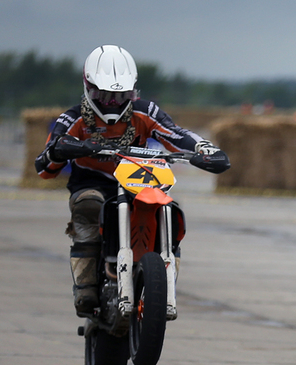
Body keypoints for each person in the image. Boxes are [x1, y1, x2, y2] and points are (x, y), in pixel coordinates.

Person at [35, 45, 229, 317]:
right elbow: (44, 167)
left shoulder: (145, 111)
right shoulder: (73, 117)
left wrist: (205, 150)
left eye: (121, 95)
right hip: (93, 180)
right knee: (89, 205)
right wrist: (59, 150)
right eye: (105, 95)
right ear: (88, 88)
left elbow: (175, 134)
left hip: (139, 177)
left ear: (133, 91)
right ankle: (86, 286)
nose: (113, 102)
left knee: (170, 210)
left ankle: (164, 285)